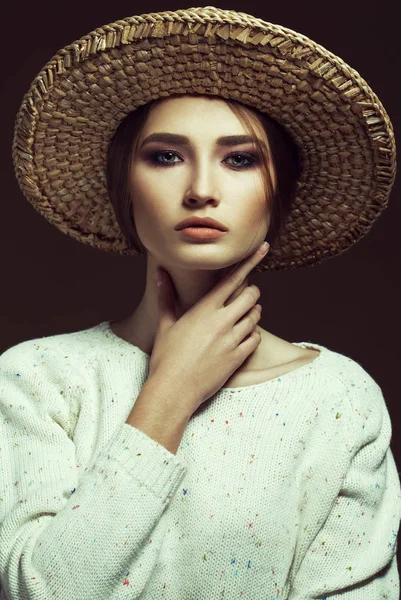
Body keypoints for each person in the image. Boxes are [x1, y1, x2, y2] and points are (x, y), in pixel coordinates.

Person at [1, 6, 400, 599]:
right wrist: (170, 391)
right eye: (165, 156)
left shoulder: (338, 400)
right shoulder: (37, 380)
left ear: (278, 194)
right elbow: (43, 590)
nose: (202, 191)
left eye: (240, 159)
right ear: (125, 188)